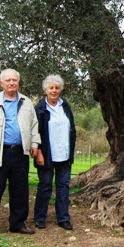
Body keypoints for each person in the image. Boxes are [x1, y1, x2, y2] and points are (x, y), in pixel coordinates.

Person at [0, 69, 42, 236]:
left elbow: (34, 126)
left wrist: (35, 143)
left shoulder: (26, 103)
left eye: (14, 80)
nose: (12, 83)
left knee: (20, 190)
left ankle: (18, 223)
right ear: (1, 83)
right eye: (8, 80)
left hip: (20, 153)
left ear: (18, 82)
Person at [33, 74, 77, 231]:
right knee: (45, 185)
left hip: (64, 154)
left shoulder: (65, 106)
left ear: (61, 89)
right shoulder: (40, 108)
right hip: (46, 154)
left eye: (57, 88)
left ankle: (63, 218)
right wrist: (38, 152)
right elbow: (35, 132)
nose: (54, 90)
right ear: (45, 89)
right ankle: (39, 218)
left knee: (63, 186)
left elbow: (71, 128)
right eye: (51, 88)